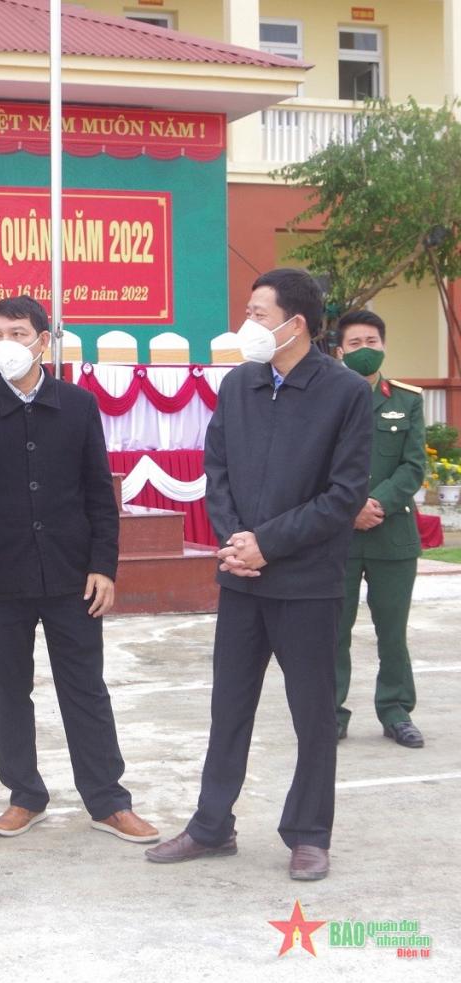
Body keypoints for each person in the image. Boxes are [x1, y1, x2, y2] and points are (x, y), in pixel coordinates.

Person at [145, 268, 372, 881]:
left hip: (307, 583)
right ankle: (212, 826)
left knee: (313, 714)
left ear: (296, 324)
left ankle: (308, 834)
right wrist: (235, 542)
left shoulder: (346, 392)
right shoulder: (239, 385)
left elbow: (345, 494)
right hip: (240, 579)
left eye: (258, 314)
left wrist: (268, 543)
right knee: (230, 708)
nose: (247, 326)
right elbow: (215, 469)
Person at [0, 295, 158, 844]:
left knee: (84, 688)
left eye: (17, 333)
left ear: (43, 340)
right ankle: (25, 794)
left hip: (71, 577)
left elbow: (98, 497)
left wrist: (104, 567)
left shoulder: (78, 406)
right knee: (9, 690)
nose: (5, 344)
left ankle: (108, 799)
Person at [333, 310, 427, 748]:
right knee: (333, 630)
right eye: (355, 343)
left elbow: (413, 466)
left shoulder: (406, 400)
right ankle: (329, 712)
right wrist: (350, 508)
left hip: (392, 536)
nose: (364, 350)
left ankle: (396, 711)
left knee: (392, 631)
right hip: (340, 536)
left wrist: (378, 504)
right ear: (339, 351)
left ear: (384, 346)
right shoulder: (325, 399)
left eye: (372, 341)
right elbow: (314, 464)